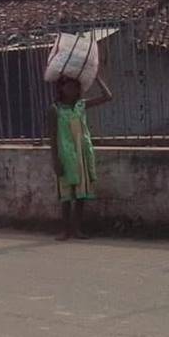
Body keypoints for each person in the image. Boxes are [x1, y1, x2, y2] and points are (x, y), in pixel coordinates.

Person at [49, 74, 112, 240]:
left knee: (81, 194)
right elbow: (52, 137)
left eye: (75, 87)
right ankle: (65, 230)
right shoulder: (55, 109)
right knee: (66, 195)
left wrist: (96, 77)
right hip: (65, 155)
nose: (72, 90)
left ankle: (77, 229)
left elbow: (107, 97)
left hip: (82, 153)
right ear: (61, 88)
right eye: (68, 87)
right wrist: (55, 159)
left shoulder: (81, 106)